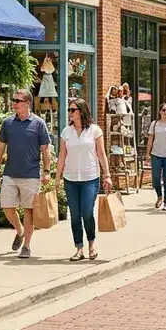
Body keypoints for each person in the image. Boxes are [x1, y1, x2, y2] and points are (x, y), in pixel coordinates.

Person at [0, 88, 52, 259]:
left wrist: (46, 171)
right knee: (7, 207)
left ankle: (27, 246)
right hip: (10, 172)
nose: (14, 103)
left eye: (17, 101)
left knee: (29, 211)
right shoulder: (8, 123)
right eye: (13, 100)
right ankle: (20, 231)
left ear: (27, 103)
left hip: (31, 174)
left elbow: (45, 150)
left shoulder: (38, 123)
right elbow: (1, 146)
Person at [57, 98, 113, 261]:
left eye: (72, 110)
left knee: (87, 212)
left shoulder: (95, 130)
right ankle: (79, 248)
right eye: (69, 110)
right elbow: (62, 155)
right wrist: (57, 177)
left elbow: (101, 154)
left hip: (90, 177)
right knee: (74, 215)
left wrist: (107, 175)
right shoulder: (66, 132)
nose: (70, 113)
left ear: (81, 111)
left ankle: (92, 243)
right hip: (71, 178)